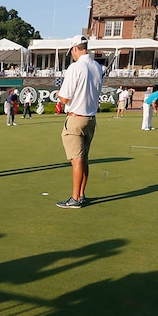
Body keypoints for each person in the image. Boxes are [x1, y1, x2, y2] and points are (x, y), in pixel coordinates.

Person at [55, 36, 103, 209]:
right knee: (84, 159)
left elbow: (65, 98)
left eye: (72, 52)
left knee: (76, 160)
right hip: (91, 119)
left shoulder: (75, 67)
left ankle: (75, 199)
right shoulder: (98, 67)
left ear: (75, 49)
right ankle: (81, 194)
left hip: (76, 118)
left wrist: (58, 95)